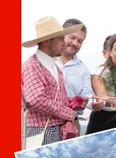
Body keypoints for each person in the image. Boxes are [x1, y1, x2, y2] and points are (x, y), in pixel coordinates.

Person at [22, 16, 84, 146]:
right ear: (47, 41)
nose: (64, 42)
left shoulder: (55, 67)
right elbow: (35, 99)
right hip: (40, 131)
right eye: (61, 38)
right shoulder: (32, 65)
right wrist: (69, 113)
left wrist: (75, 102)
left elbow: (58, 98)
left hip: (58, 130)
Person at [55, 18, 95, 135]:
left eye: (80, 41)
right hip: (42, 122)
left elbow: (88, 97)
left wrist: (97, 103)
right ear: (61, 35)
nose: (75, 43)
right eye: (72, 38)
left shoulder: (83, 70)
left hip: (71, 125)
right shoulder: (45, 60)